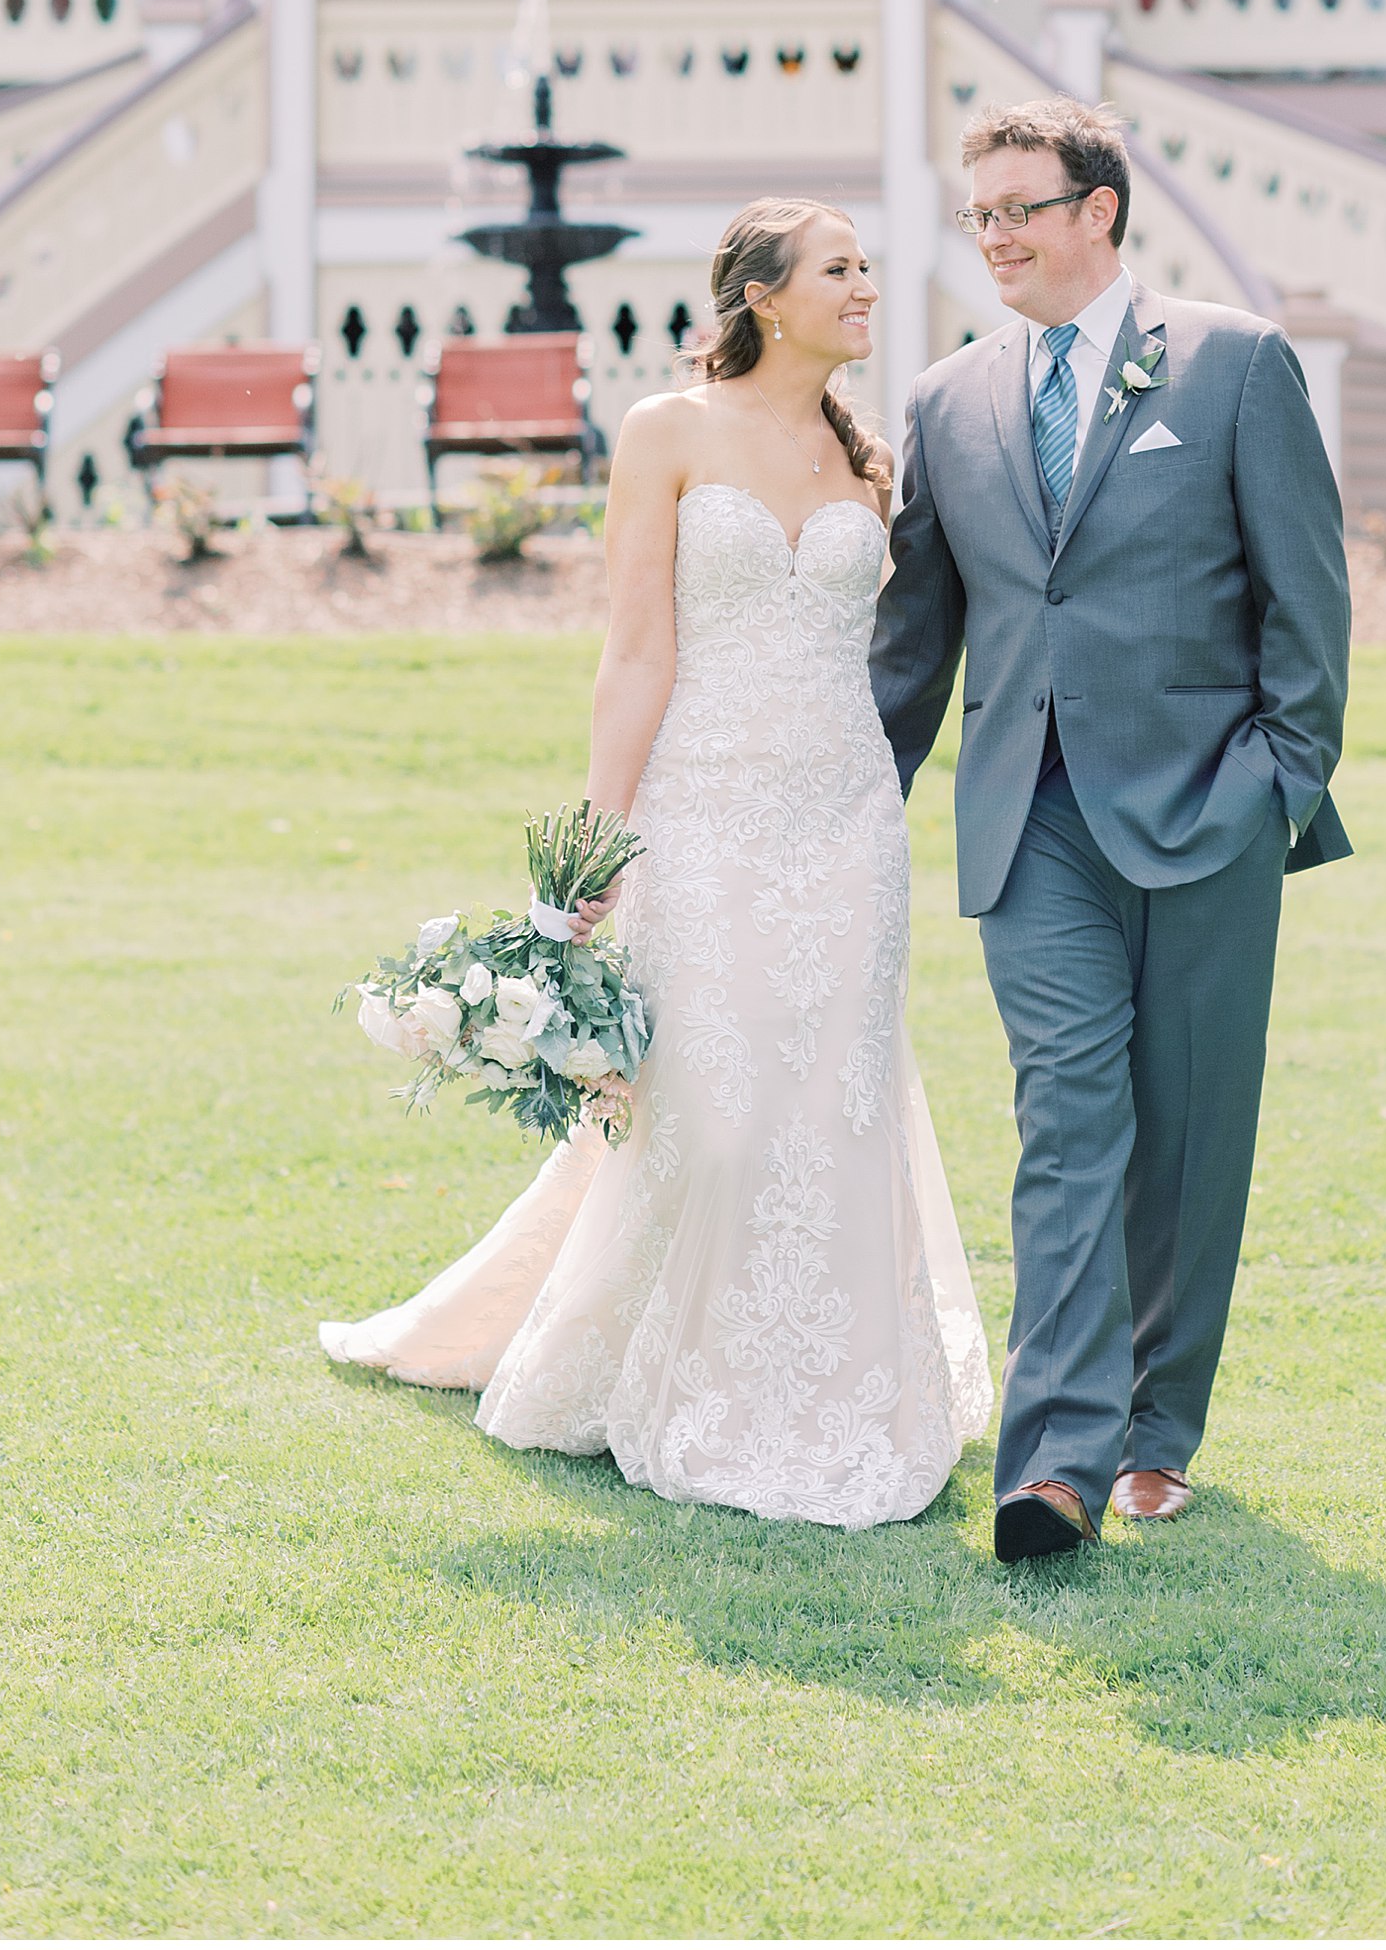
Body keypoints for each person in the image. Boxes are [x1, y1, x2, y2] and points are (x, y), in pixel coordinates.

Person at [321, 198, 990, 1530]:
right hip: (706, 810)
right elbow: (635, 650)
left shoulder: (872, 462)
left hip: (847, 818)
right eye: (840, 269)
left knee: (839, 1095)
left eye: (868, 266)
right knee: (715, 1102)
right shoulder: (665, 431)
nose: (867, 287)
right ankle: (672, 1368)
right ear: (763, 296)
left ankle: (845, 1386)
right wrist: (601, 837)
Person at [869, 96, 1351, 1564]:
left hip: (1210, 810)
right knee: (1069, 1119)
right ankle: (1054, 1467)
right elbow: (914, 641)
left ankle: (1157, 1432)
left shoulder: (1235, 362)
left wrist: (1279, 782)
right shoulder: (948, 401)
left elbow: (1308, 600)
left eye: (1021, 208)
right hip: (1030, 821)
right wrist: (840, 798)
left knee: (1189, 1132)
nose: (996, 236)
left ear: (1100, 211)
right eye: (980, 213)